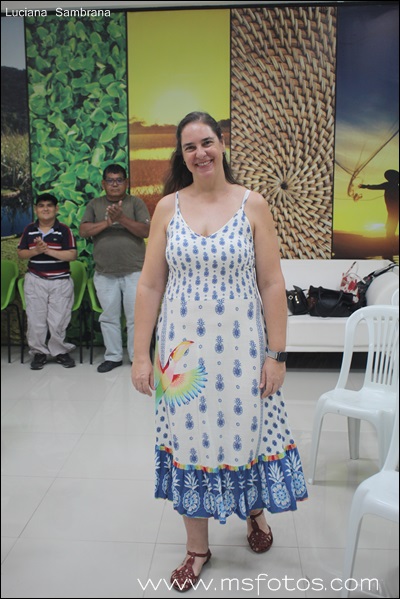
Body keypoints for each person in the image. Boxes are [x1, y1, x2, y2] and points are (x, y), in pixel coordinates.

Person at [131, 112, 308, 591]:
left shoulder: (253, 204)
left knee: (247, 434)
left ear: (222, 143)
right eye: (190, 147)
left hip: (242, 351)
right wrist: (141, 355)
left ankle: (254, 513)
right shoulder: (166, 208)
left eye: (206, 142)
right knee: (189, 442)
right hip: (182, 359)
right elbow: (149, 285)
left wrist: (277, 354)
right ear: (181, 154)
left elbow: (272, 284)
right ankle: (197, 549)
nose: (200, 153)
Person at [79, 164, 150, 373]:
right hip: (105, 273)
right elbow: (84, 230)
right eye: (110, 180)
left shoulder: (135, 203)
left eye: (119, 180)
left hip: (134, 271)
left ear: (126, 182)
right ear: (103, 183)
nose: (115, 184)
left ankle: (137, 358)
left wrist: (122, 219)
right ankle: (113, 356)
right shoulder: (95, 204)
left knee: (136, 318)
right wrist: (108, 222)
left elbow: (145, 231)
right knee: (109, 317)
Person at [17, 193, 77, 370]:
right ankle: (39, 353)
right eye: (41, 205)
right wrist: (36, 251)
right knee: (36, 320)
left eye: (49, 205)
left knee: (59, 320)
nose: (45, 209)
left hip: (60, 282)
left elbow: (72, 255)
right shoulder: (29, 230)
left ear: (56, 209)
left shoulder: (64, 230)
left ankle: (60, 352)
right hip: (35, 280)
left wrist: (47, 250)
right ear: (36, 209)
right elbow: (21, 253)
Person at [358, 170, 399, 240]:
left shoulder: (390, 185)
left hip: (393, 208)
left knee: (392, 220)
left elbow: (376, 187)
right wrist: (366, 186)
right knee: (392, 221)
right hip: (393, 208)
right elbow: (376, 187)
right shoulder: (390, 185)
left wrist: (365, 186)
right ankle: (390, 237)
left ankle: (390, 237)